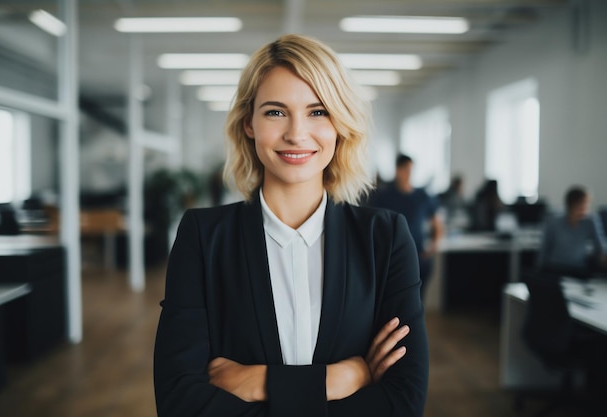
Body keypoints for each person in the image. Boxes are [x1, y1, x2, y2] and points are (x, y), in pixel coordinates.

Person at [153, 34, 428, 417]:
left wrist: (257, 382)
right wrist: (344, 377)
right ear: (249, 123)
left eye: (317, 112)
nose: (296, 133)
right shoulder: (203, 236)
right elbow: (180, 401)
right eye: (275, 112)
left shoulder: (385, 238)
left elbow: (402, 402)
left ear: (339, 124)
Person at [368, 153, 444, 300]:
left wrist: (434, 245)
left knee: (418, 298)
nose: (408, 174)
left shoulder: (421, 196)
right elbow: (373, 225)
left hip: (419, 255)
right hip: (392, 256)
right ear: (397, 170)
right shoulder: (384, 196)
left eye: (410, 170)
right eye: (405, 170)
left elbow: (437, 224)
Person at [537, 185, 607, 274]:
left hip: (578, 269)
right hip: (555, 269)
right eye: (581, 204)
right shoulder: (554, 222)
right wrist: (540, 271)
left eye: (587, 204)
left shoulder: (590, 222)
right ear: (571, 205)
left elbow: (600, 248)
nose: (585, 208)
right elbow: (544, 249)